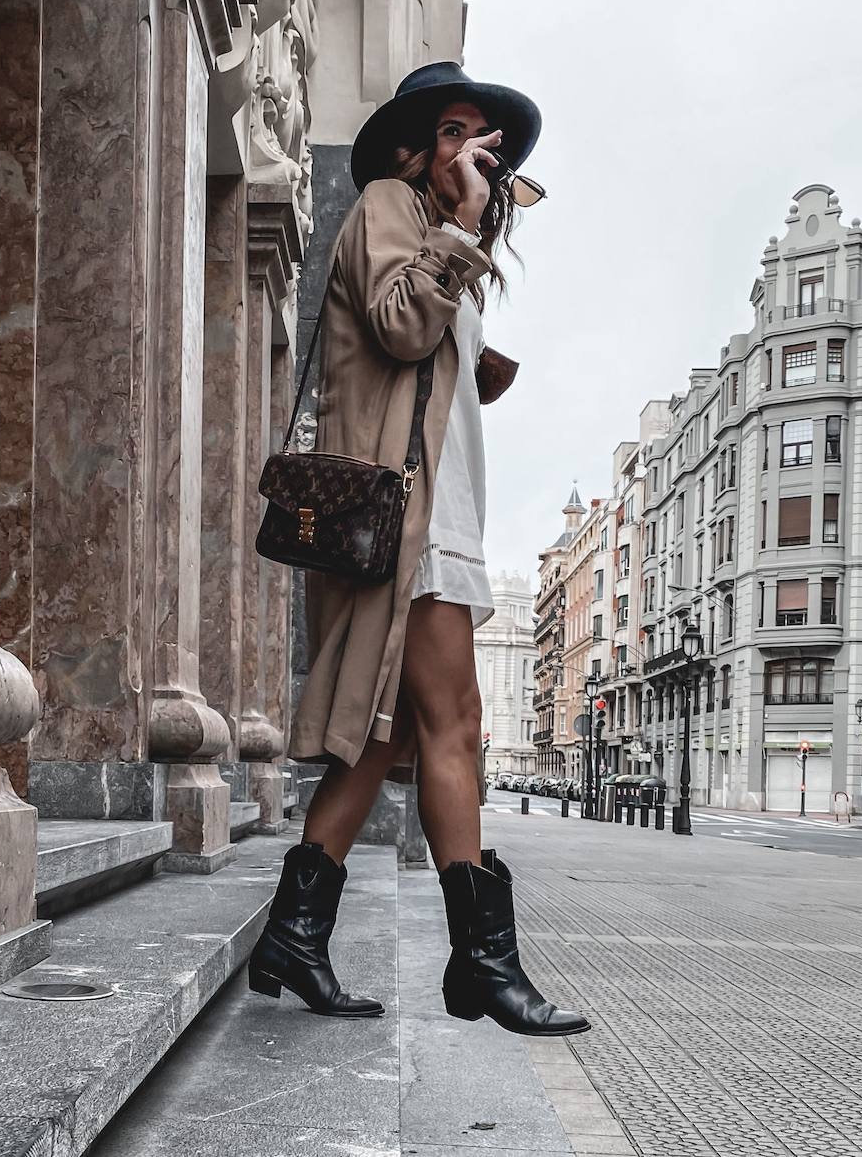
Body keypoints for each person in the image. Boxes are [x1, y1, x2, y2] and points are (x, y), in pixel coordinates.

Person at [248, 62, 590, 1037]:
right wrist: (456, 233)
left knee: (390, 733)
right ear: (414, 147)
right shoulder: (388, 207)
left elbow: (414, 353)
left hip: (437, 511)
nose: (473, 151)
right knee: (457, 725)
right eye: (453, 130)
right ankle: (484, 964)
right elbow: (398, 326)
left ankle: (295, 932)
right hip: (410, 521)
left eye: (482, 137)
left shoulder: (434, 232)